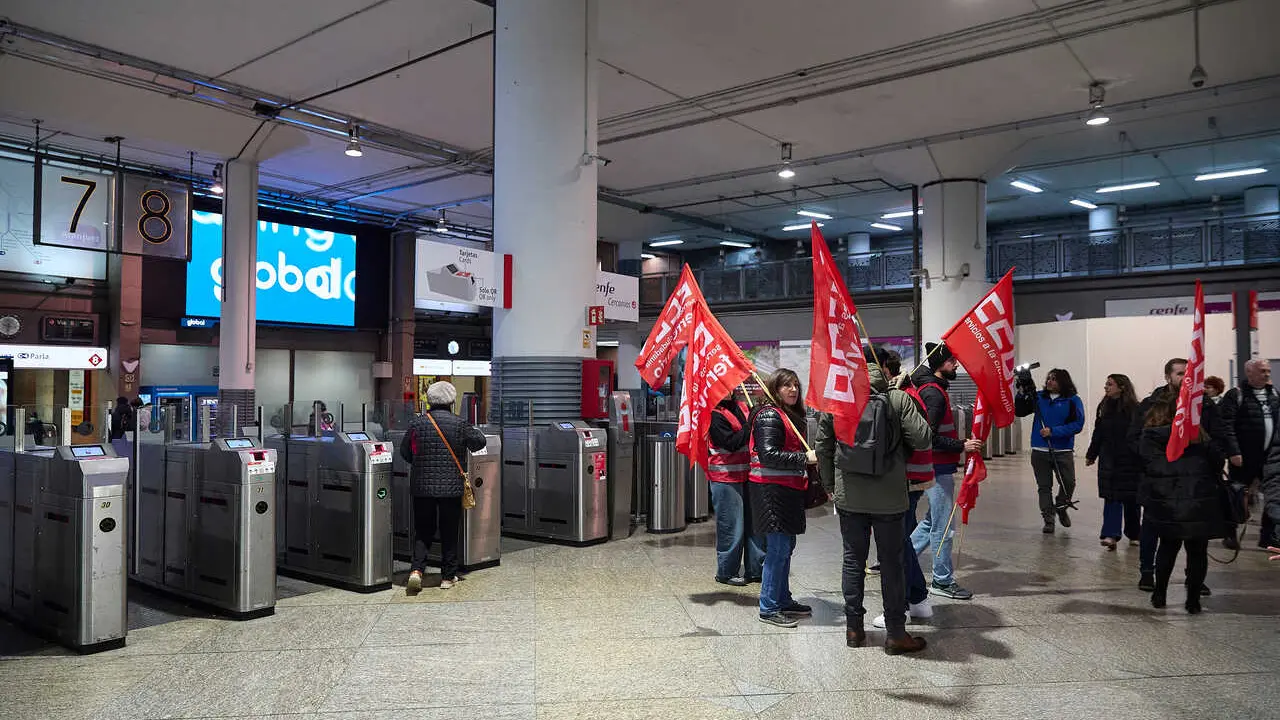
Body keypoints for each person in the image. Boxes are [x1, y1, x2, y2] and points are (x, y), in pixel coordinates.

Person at [816, 345, 931, 655]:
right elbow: (923, 439)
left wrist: (830, 485)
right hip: (890, 498)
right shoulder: (897, 398)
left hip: (850, 496)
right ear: (884, 368)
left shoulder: (838, 400)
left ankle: (854, 629)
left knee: (852, 561)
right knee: (892, 565)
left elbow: (823, 446)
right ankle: (895, 633)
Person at [1137, 394, 1228, 614]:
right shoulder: (1198, 435)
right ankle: (1193, 600)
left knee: (1168, 547)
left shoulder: (1151, 436)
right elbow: (1218, 463)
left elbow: (1150, 465)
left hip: (1169, 501)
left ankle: (1160, 593)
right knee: (1197, 552)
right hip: (1199, 501)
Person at [908, 342, 983, 600]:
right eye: (952, 361)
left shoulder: (933, 389)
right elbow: (928, 435)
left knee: (932, 520)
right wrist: (962, 444)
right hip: (937, 467)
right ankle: (941, 580)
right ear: (940, 364)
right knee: (944, 525)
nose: (956, 365)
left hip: (937, 466)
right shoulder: (934, 394)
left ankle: (899, 561)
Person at [401, 381, 487, 594]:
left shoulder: (417, 423)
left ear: (428, 400)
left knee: (423, 530)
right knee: (449, 530)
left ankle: (416, 571)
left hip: (422, 486)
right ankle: (448, 576)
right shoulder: (459, 423)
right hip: (451, 487)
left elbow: (405, 452)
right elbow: (479, 442)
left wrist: (420, 463)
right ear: (451, 401)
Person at [748, 368, 815, 628]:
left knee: (786, 548)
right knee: (777, 549)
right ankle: (769, 607)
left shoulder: (787, 416)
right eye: (787, 385)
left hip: (786, 491)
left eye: (796, 385)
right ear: (775, 389)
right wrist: (804, 459)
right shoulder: (769, 415)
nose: (793, 389)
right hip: (771, 492)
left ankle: (782, 598)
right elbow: (768, 454)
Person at [1015, 368, 1086, 534]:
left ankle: (1061, 505)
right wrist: (1021, 391)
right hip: (1040, 450)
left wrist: (1053, 431)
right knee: (1044, 486)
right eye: (1048, 378)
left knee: (1068, 482)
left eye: (1054, 379)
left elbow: (1077, 424)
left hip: (1063, 450)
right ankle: (1048, 518)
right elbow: (1020, 410)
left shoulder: (1073, 400)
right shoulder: (1039, 397)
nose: (1049, 381)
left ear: (1063, 382)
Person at [1218, 359, 1277, 550]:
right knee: (1235, 494)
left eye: (1268, 371)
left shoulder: (1274, 395)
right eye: (1262, 371)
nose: (1267, 374)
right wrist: (1233, 451)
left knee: (1273, 495)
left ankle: (1268, 536)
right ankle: (1230, 533)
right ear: (1249, 373)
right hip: (1243, 456)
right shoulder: (1236, 395)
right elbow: (1227, 425)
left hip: (1269, 457)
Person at [708, 388, 764, 586]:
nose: (727, 389)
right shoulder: (714, 415)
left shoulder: (742, 406)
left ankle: (756, 569)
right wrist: (750, 426)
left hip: (748, 475)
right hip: (725, 478)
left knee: (755, 525)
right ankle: (726, 571)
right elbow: (731, 443)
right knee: (732, 527)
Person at [1085, 374, 1144, 550]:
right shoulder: (1104, 407)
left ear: (1122, 387)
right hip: (1109, 459)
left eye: (1110, 384)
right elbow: (1098, 432)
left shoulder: (1135, 409)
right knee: (1111, 497)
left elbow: (1140, 434)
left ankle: (1134, 533)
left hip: (1130, 460)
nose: (1106, 387)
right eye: (1106, 384)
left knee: (1132, 499)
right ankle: (1111, 534)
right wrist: (1092, 453)